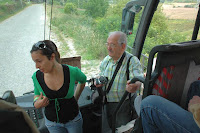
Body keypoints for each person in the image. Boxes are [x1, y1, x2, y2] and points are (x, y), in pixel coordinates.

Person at [30, 40, 86, 133]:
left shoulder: (71, 71)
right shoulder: (36, 77)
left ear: (52, 57)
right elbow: (36, 95)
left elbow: (83, 80)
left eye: (39, 61)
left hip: (73, 121)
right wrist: (37, 103)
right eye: (34, 62)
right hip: (52, 124)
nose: (36, 66)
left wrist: (76, 98)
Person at [95, 31, 143, 129]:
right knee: (111, 127)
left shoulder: (131, 61)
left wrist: (135, 86)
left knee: (122, 129)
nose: (108, 48)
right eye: (107, 44)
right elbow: (100, 74)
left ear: (123, 46)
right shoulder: (107, 60)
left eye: (112, 45)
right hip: (107, 102)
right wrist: (99, 80)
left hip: (123, 105)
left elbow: (138, 79)